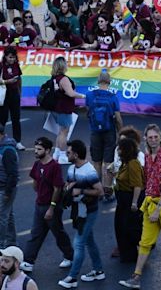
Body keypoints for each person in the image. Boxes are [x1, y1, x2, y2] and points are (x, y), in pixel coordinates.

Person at [119, 124, 161, 288]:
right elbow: (147, 180)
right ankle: (136, 277)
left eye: (156, 137)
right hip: (150, 203)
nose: (153, 140)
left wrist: (159, 209)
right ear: (146, 139)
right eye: (150, 137)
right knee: (145, 242)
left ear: (160, 137)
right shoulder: (147, 156)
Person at [20, 137, 73, 273]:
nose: (36, 152)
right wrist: (39, 193)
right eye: (36, 149)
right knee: (36, 233)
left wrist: (51, 207)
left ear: (48, 150)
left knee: (58, 233)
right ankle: (28, 261)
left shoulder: (54, 166)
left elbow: (57, 188)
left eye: (39, 149)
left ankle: (69, 256)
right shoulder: (37, 164)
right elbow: (35, 181)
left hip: (50, 207)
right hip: (40, 204)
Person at [58, 140, 104, 289]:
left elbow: (100, 191)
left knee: (78, 243)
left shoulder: (89, 171)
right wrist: (68, 188)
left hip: (88, 212)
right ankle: (98, 270)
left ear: (76, 155)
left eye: (69, 152)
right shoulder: (72, 169)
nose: (67, 154)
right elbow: (70, 185)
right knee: (89, 241)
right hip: (78, 211)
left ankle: (72, 277)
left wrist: (81, 191)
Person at [85, 70, 122, 202]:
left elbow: (88, 111)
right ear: (109, 81)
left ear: (98, 80)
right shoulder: (113, 97)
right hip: (109, 131)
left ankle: (97, 190)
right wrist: (121, 133)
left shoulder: (89, 95)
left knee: (96, 162)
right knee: (108, 163)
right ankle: (107, 192)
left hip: (95, 131)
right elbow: (117, 118)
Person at [50, 57, 85, 166]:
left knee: (60, 131)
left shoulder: (54, 77)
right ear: (62, 66)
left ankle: (56, 153)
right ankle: (62, 155)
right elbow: (70, 93)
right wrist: (83, 96)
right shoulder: (63, 79)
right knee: (64, 132)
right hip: (64, 108)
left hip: (57, 107)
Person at [114, 137, 144, 263]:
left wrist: (134, 203)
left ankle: (132, 254)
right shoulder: (125, 163)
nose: (118, 152)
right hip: (122, 199)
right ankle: (126, 253)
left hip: (129, 199)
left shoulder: (133, 163)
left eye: (120, 149)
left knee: (129, 228)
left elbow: (137, 185)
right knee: (120, 226)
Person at [0, 46, 24, 150]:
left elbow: (19, 78)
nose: (12, 59)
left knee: (16, 118)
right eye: (10, 57)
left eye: (13, 57)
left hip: (14, 93)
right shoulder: (1, 66)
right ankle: (1, 139)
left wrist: (20, 92)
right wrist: (7, 82)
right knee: (2, 119)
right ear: (5, 57)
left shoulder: (16, 65)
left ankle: (17, 141)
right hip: (4, 94)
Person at [0, 124, 18, 249]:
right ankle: (11, 242)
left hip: (5, 188)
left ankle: (1, 245)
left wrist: (7, 192)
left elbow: (12, 173)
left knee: (2, 217)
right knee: (8, 215)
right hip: (3, 187)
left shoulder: (7, 150)